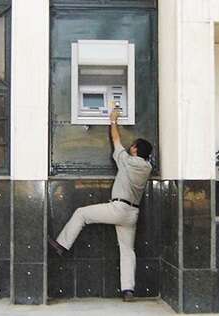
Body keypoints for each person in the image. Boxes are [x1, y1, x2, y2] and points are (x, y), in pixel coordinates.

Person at [48, 109, 152, 302]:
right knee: (128, 250)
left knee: (81, 213)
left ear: (136, 149)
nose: (130, 147)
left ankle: (62, 244)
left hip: (118, 209)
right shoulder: (147, 167)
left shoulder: (127, 162)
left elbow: (116, 141)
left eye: (133, 146)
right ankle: (128, 289)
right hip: (132, 214)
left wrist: (113, 120)